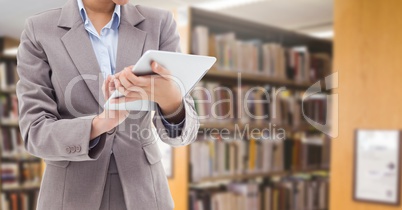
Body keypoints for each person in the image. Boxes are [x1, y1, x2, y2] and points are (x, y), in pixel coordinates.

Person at [16, 0, 199, 209]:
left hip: (144, 193)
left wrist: (171, 101)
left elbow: (186, 135)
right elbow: (35, 133)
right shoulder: (39, 29)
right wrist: (99, 124)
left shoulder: (160, 23)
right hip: (70, 195)